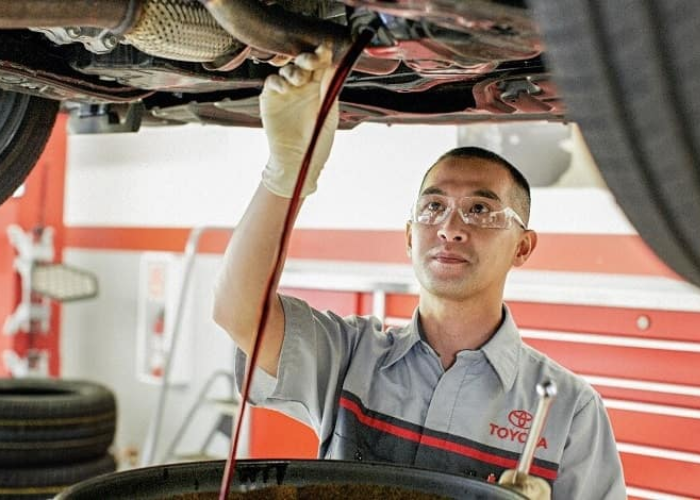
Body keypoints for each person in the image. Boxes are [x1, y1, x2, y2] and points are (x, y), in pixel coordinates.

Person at [213, 45, 626, 500]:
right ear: (411, 236)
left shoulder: (570, 411)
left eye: (480, 209)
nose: (450, 228)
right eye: (434, 207)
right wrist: (286, 173)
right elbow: (238, 312)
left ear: (522, 247)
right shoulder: (352, 357)